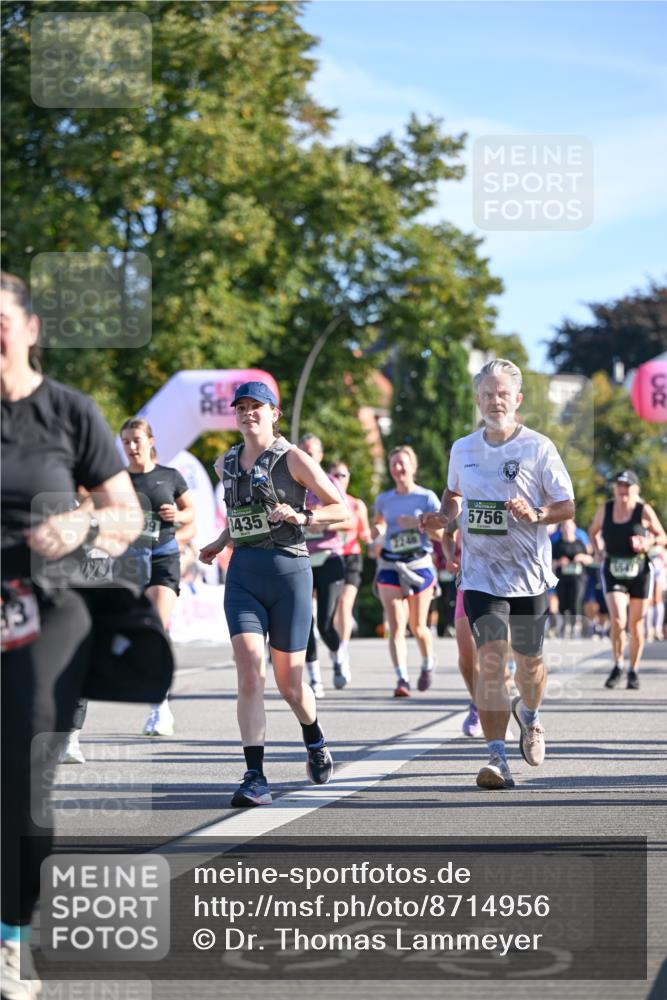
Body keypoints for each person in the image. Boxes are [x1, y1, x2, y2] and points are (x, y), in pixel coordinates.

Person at [1, 272, 143, 998]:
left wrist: (84, 522)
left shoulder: (68, 414)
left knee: (24, 767)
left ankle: (10, 938)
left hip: (45, 607)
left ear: (29, 328)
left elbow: (127, 516)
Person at [423, 358, 575, 790]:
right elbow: (453, 497)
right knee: (491, 662)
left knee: (530, 666)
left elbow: (567, 505)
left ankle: (530, 715)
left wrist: (538, 512)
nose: (495, 401)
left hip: (529, 576)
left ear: (517, 399)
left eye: (502, 394)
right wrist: (442, 518)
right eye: (487, 395)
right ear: (477, 401)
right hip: (480, 576)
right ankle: (496, 758)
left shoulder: (539, 447)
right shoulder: (463, 449)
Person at [199, 382, 346, 807]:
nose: (248, 413)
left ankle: (314, 738)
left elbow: (341, 508)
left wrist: (301, 514)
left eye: (256, 407)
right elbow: (243, 514)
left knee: (291, 685)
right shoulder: (224, 461)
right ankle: (255, 776)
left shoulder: (293, 458)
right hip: (244, 573)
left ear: (274, 413)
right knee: (249, 671)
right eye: (241, 407)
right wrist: (220, 541)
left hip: (290, 575)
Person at [120, 418, 195, 734]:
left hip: (164, 555)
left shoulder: (169, 477)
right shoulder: (118, 481)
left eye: (137, 440)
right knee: (138, 632)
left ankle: (160, 708)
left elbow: (192, 516)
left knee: (154, 622)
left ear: (150, 440)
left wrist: (177, 516)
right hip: (129, 562)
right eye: (126, 442)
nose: (132, 447)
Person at [589, 471, 666, 689]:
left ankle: (633, 669)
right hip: (613, 568)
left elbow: (662, 536)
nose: (623, 490)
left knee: (636, 623)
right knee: (618, 620)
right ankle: (617, 664)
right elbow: (593, 531)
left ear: (636, 489)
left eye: (627, 486)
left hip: (639, 570)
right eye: (619, 485)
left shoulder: (643, 510)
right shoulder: (607, 508)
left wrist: (647, 543)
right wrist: (598, 551)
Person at [373, 445, 439, 696]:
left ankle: (427, 662)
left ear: (413, 466)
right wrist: (377, 532)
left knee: (418, 627)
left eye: (402, 463)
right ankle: (401, 679)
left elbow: (441, 534)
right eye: (393, 464)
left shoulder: (427, 498)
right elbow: (378, 524)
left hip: (419, 564)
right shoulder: (384, 499)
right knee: (396, 625)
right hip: (390, 563)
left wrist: (419, 524)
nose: (398, 468)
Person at [298, 434, 353, 695]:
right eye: (304, 450)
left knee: (325, 623)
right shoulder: (293, 483)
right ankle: (315, 679)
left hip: (330, 557)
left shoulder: (329, 483)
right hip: (302, 557)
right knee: (304, 620)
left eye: (313, 451)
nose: (308, 455)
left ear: (320, 455)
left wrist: (316, 521)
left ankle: (339, 656)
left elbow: (349, 520)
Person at [329, 460, 372, 687]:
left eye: (343, 475)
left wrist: (376, 537)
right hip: (328, 558)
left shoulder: (356, 505)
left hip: (351, 557)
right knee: (330, 611)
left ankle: (342, 652)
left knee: (345, 604)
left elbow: (365, 534)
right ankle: (334, 644)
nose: (339, 479)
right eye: (335, 475)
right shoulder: (321, 503)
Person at [551, 518, 593, 638]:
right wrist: (559, 562)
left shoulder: (580, 543)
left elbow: (590, 560)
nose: (567, 529)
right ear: (561, 529)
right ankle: (564, 624)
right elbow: (550, 563)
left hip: (578, 578)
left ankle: (574, 626)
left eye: (569, 526)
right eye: (564, 526)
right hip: (562, 578)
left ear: (574, 528)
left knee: (575, 602)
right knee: (563, 603)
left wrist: (581, 558)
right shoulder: (557, 544)